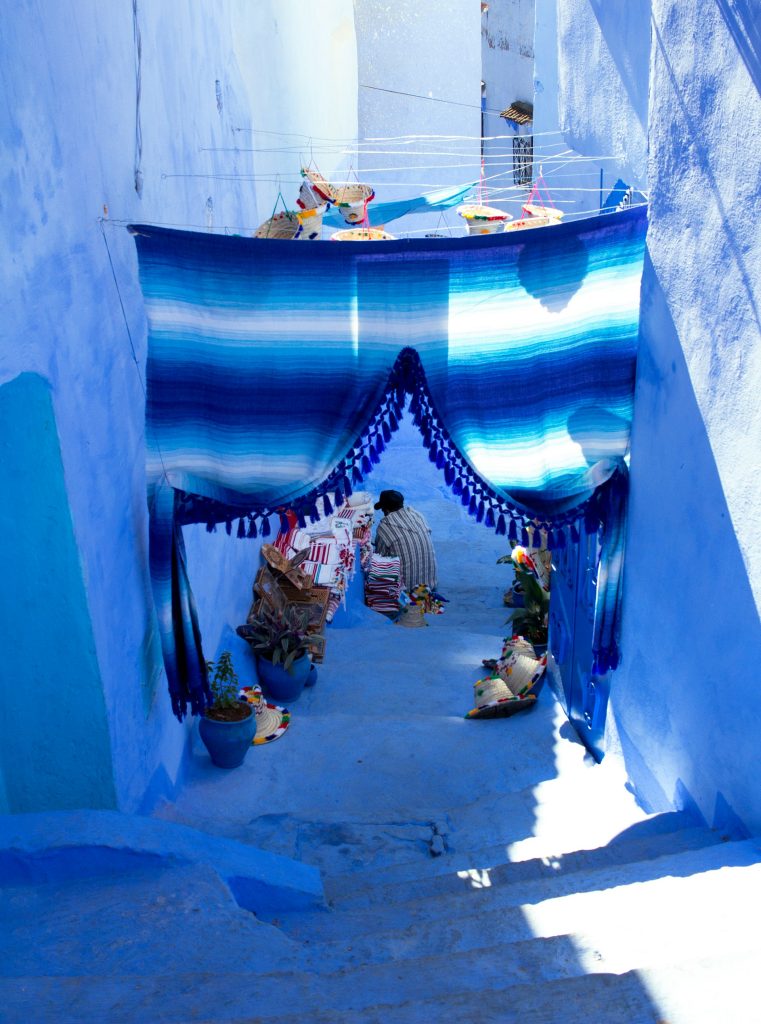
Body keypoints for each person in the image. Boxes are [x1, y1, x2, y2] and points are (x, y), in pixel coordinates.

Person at [373, 489, 438, 591]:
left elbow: (379, 558)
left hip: (407, 590)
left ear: (386, 510)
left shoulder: (385, 526)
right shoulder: (417, 515)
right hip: (430, 584)